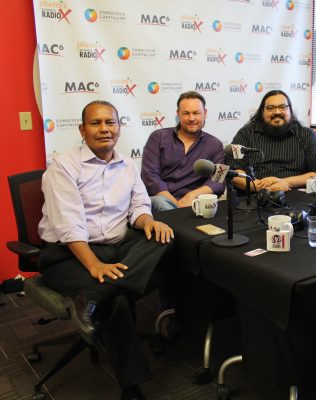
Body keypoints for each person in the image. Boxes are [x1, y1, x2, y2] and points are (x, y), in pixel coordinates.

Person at [38, 100, 174, 400]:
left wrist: (148, 221)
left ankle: (94, 297)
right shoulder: (63, 166)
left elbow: (139, 204)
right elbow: (69, 224)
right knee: (120, 302)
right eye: (96, 123)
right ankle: (131, 386)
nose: (104, 129)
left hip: (116, 247)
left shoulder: (127, 165)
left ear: (119, 128)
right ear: (82, 130)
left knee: (166, 236)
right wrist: (93, 265)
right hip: (67, 254)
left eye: (110, 122)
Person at [226, 90, 316, 192]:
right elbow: (231, 170)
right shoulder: (246, 134)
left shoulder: (307, 135)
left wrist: (285, 182)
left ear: (290, 110)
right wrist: (259, 187)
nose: (277, 112)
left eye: (282, 107)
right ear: (262, 112)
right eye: (270, 108)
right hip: (254, 196)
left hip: (294, 196)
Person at [142, 91, 225, 212]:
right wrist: (173, 205)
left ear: (205, 113)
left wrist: (192, 196)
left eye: (196, 113)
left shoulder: (215, 144)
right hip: (160, 202)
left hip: (194, 205)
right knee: (160, 202)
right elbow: (149, 175)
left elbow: (219, 180)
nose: (191, 118)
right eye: (186, 113)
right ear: (178, 114)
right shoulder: (158, 137)